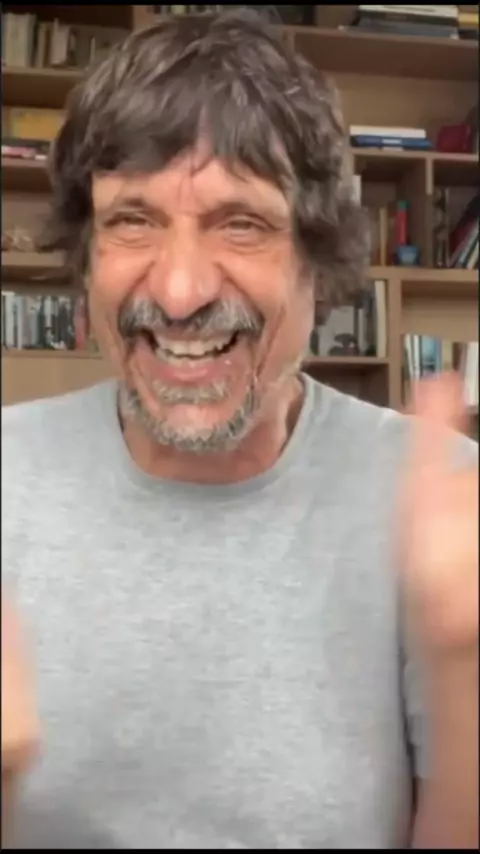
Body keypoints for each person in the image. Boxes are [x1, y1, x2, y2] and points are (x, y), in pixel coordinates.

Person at [2, 9, 478, 850]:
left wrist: (461, 667)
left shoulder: (441, 498)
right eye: (133, 220)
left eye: (241, 224)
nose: (180, 291)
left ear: (316, 263)